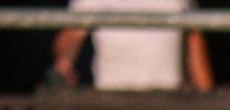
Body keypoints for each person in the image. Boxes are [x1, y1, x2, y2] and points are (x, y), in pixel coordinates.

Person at [51, 0, 213, 93]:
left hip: (167, 101)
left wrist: (208, 99)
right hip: (113, 101)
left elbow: (193, 42)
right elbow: (70, 37)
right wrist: (64, 65)